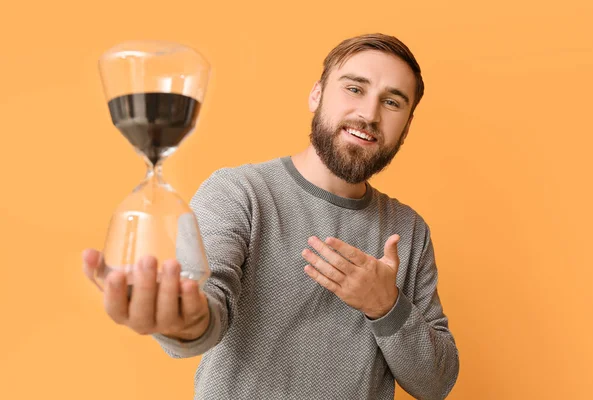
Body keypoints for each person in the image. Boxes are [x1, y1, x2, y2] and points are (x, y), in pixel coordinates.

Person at [82, 33, 460, 399]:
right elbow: (208, 303)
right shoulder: (237, 192)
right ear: (316, 94)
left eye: (392, 102)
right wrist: (184, 319)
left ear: (407, 126)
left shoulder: (408, 231)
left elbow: (436, 383)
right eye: (354, 88)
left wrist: (386, 306)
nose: (369, 114)